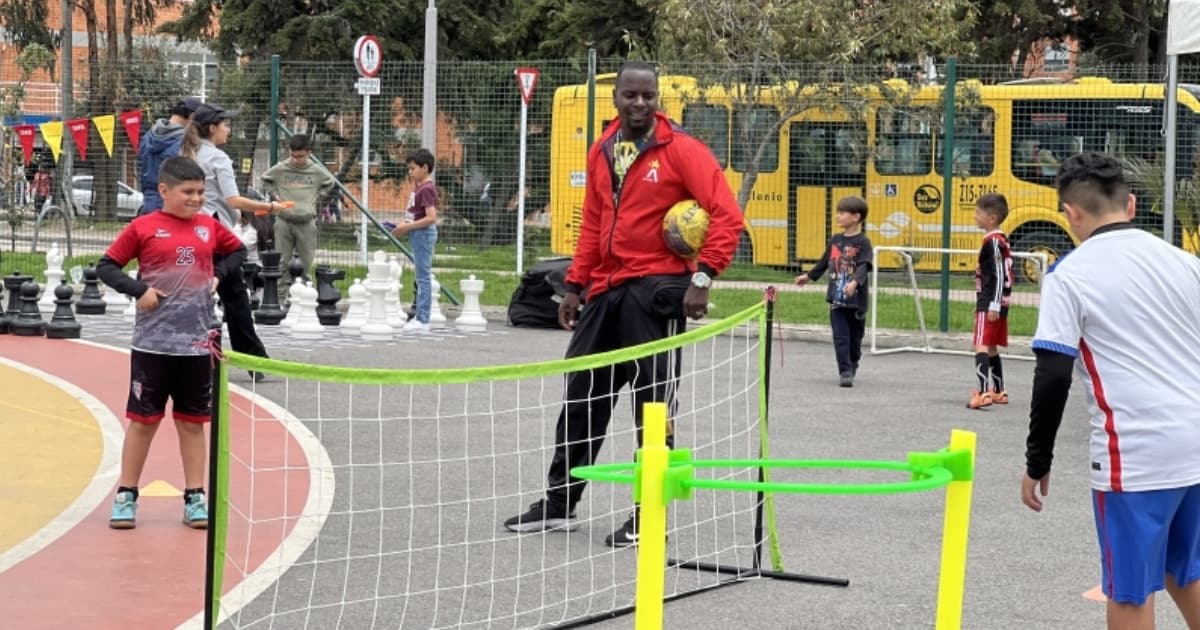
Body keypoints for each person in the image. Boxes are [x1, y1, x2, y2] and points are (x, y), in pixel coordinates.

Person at [501, 60, 743, 547]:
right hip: (605, 292)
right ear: (617, 98)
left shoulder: (681, 150)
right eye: (630, 95)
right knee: (582, 396)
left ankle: (648, 512)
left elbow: (727, 215)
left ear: (658, 98)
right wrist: (574, 285)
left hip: (655, 292)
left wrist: (704, 275)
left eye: (647, 96)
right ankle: (560, 502)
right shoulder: (603, 149)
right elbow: (593, 223)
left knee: (653, 408)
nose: (639, 103)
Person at [1022, 152, 1200, 630]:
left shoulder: (1069, 275)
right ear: (1132, 204)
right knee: (1187, 571)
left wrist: (1037, 462)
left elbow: (1053, 375)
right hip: (1194, 444)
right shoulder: (1187, 264)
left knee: (1128, 590)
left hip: (1134, 455)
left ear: (1071, 213)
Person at [95, 156, 247, 530]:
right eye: (188, 192)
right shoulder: (144, 227)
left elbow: (238, 251)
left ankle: (195, 496)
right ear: (164, 191)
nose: (196, 199)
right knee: (144, 421)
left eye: (201, 192)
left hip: (196, 345)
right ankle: (126, 494)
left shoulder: (208, 227)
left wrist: (219, 276)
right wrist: (139, 290)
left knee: (192, 423)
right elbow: (106, 266)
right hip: (152, 345)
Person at [181, 103, 277, 379]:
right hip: (216, 235)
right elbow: (233, 200)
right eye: (225, 124)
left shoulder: (187, 153)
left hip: (188, 233)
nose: (229, 129)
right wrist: (270, 207)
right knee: (236, 300)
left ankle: (187, 356)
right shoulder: (218, 158)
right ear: (212, 128)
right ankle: (255, 361)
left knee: (192, 296)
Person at [794, 196, 873, 387]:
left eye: (842, 212)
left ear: (856, 217)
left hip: (856, 301)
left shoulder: (863, 242)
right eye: (838, 212)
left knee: (854, 340)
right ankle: (845, 371)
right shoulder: (836, 240)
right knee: (840, 337)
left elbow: (865, 265)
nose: (838, 216)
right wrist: (809, 276)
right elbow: (824, 262)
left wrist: (854, 283)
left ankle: (853, 361)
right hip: (836, 299)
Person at [260, 134, 336, 295]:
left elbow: (330, 182)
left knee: (306, 264)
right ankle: (279, 299)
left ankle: (305, 299)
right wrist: (275, 195)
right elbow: (265, 179)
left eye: (300, 156)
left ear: (309, 153)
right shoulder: (281, 168)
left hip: (306, 221)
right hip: (284, 221)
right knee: (282, 263)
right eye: (293, 155)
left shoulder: (316, 170)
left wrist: (318, 196)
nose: (295, 160)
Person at [966, 193, 1013, 409]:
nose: (975, 216)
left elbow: (1000, 273)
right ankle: (999, 390)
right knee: (992, 346)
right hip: (996, 301)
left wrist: (994, 303)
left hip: (989, 302)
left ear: (991, 218)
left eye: (978, 213)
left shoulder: (993, 241)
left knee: (981, 344)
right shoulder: (999, 240)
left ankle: (983, 392)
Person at [389, 148, 439, 333]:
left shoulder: (426, 188)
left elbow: (431, 217)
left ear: (424, 168)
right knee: (421, 277)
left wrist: (407, 227)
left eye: (413, 169)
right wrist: (401, 225)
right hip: (417, 232)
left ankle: (423, 319)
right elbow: (415, 214)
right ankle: (421, 317)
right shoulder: (419, 187)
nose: (410, 173)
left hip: (423, 234)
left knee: (423, 277)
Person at [138, 97, 200, 213]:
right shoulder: (184, 142)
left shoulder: (148, 137)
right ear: (192, 117)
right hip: (171, 202)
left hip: (148, 201)